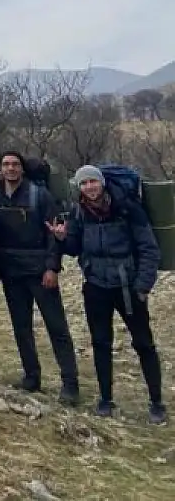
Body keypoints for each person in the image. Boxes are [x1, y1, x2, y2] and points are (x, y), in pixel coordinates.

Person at [51, 165, 166, 423]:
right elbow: (75, 247)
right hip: (95, 285)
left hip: (128, 287)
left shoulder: (127, 209)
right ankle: (105, 399)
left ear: (101, 182)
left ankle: (157, 402)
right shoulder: (79, 211)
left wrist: (143, 286)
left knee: (144, 344)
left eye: (93, 182)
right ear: (78, 187)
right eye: (84, 183)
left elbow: (149, 249)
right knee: (101, 343)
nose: (89, 187)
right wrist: (62, 238)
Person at [0, 151, 80, 405]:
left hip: (40, 271)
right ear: (0, 170)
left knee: (57, 328)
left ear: (22, 169)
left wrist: (52, 268)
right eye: (5, 164)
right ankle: (31, 377)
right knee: (21, 328)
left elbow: (53, 234)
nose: (10, 169)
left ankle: (70, 384)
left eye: (15, 164)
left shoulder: (40, 196)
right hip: (11, 272)